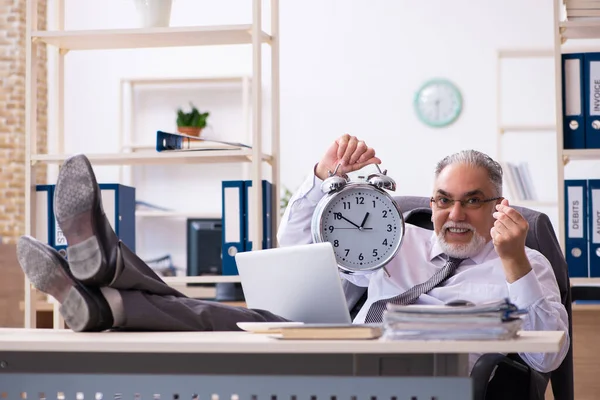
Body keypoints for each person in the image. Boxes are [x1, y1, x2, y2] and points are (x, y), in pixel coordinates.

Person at [17, 135, 568, 375]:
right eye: (445, 200)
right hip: (341, 353)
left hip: (421, 377)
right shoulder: (399, 237)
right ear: (432, 201)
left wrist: (515, 261)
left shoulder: (524, 263)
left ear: (499, 205)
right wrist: (323, 175)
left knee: (211, 319)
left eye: (473, 203)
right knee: (228, 319)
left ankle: (107, 289)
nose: (454, 215)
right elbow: (297, 243)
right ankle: (105, 282)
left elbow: (548, 359)